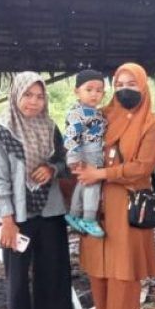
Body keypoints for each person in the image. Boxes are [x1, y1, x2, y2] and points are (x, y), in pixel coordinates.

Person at [74, 62, 155, 309]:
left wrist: (101, 174)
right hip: (94, 203)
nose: (125, 89)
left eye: (132, 84)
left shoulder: (153, 125)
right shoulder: (100, 116)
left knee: (123, 271)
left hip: (127, 205)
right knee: (98, 267)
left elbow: (142, 168)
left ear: (144, 86)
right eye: (120, 84)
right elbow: (81, 142)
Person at [0, 71, 73, 309]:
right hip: (18, 214)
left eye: (39, 96)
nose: (33, 102)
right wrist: (7, 220)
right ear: (15, 95)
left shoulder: (49, 127)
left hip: (50, 209)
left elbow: (64, 161)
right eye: (27, 95)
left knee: (51, 268)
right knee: (18, 274)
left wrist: (52, 168)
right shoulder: (0, 132)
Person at [64, 69, 107, 238]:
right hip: (88, 152)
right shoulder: (77, 113)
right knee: (93, 183)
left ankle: (74, 214)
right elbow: (71, 135)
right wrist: (73, 157)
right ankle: (89, 219)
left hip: (93, 150)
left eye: (99, 90)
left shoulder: (96, 112)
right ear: (77, 91)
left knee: (83, 183)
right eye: (89, 89)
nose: (94, 94)